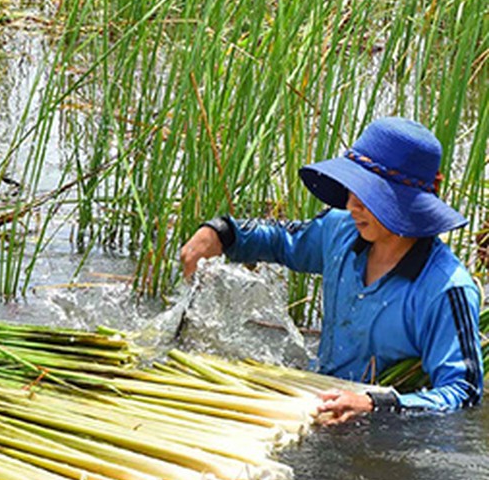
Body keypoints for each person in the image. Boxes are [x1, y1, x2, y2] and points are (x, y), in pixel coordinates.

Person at [178, 116, 482, 424]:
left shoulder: (445, 289)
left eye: (368, 195)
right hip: (317, 402)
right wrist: (221, 233)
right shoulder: (342, 230)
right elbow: (282, 240)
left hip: (375, 428)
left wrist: (376, 405)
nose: (351, 204)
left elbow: (463, 391)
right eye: (352, 189)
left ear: (405, 203)